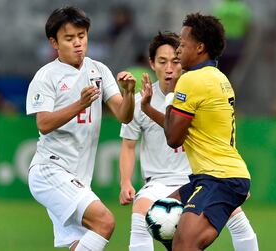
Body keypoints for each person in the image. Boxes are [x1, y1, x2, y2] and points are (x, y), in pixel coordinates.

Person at [121, 32, 258, 251]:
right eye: (162, 61)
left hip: (199, 176)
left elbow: (181, 136)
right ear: (152, 64)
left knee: (236, 222)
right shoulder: (143, 99)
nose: (169, 68)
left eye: (175, 59)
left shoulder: (193, 85)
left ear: (183, 60)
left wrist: (234, 175)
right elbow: (132, 141)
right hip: (160, 180)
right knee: (143, 216)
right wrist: (125, 182)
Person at [26, 6, 136, 251]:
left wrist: (129, 94)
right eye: (69, 38)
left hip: (78, 177)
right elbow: (43, 124)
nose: (78, 43)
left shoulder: (99, 70)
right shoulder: (46, 77)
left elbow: (124, 116)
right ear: (54, 42)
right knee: (105, 222)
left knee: (81, 243)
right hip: (50, 170)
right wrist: (80, 104)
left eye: (82, 36)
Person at [161, 13, 253, 250]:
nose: (177, 50)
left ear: (200, 47)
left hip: (218, 177)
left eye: (182, 44)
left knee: (183, 243)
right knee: (161, 216)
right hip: (219, 175)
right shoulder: (219, 77)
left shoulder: (192, 80)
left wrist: (170, 93)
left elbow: (173, 138)